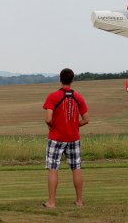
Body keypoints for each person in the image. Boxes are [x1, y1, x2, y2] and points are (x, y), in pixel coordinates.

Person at [42, 68, 89, 208]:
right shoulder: (78, 97)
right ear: (72, 80)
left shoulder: (53, 96)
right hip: (73, 137)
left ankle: (51, 202)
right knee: (76, 167)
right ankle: (79, 201)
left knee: (53, 168)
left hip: (56, 137)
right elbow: (86, 119)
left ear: (60, 79)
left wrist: (50, 126)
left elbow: (48, 118)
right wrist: (75, 125)